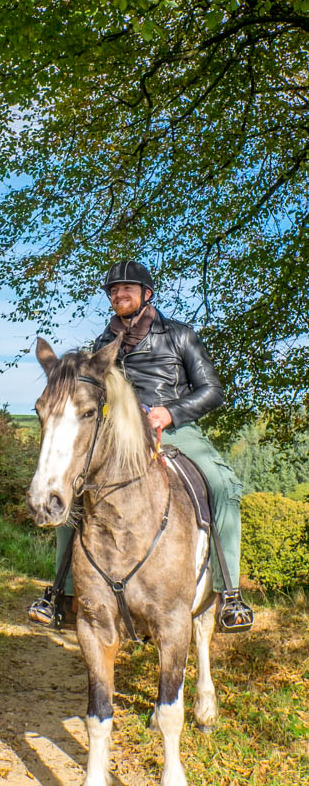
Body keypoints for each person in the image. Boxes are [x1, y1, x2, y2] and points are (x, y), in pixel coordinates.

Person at [28, 259, 254, 633]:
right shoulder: (103, 346)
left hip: (175, 431)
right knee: (70, 492)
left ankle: (229, 593)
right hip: (119, 438)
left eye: (126, 288)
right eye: (113, 290)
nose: (119, 294)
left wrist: (169, 413)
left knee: (224, 487)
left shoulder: (180, 335)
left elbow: (213, 391)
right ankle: (62, 595)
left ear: (146, 294)